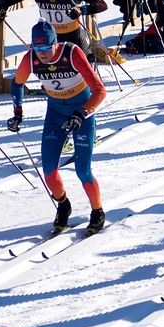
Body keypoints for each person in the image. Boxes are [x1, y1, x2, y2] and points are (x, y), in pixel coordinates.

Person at [9, 20, 107, 235]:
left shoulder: (72, 53)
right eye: (37, 48)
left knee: (83, 171)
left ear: (55, 43)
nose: (42, 54)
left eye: (46, 48)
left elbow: (100, 90)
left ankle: (97, 211)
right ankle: (63, 205)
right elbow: (16, 83)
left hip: (81, 112)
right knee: (49, 172)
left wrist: (82, 112)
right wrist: (17, 113)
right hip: (55, 114)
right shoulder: (31, 59)